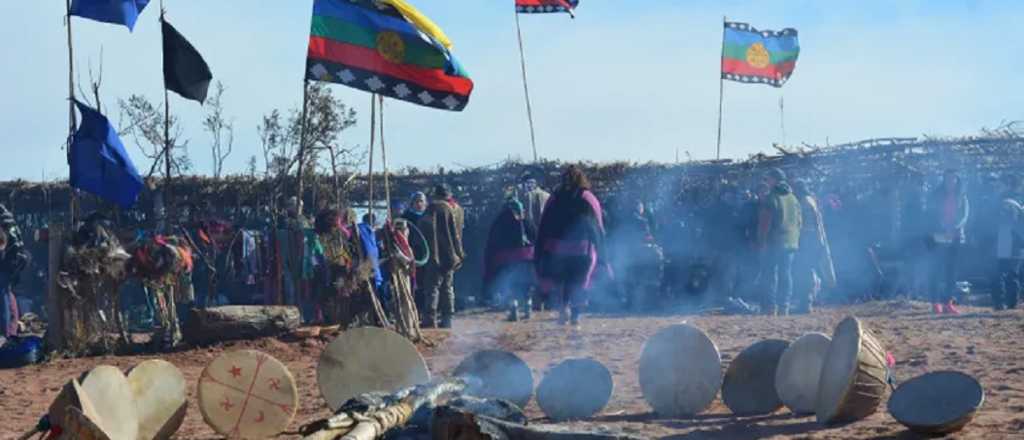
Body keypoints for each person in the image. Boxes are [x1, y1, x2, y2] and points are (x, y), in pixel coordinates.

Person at [535, 165, 606, 327]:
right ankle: (575, 317)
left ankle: (563, 312)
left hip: (556, 251)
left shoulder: (554, 199)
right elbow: (597, 227)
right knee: (579, 284)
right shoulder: (587, 198)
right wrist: (603, 256)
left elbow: (543, 226)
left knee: (561, 284)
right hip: (582, 251)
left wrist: (539, 253)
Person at [417, 184, 465, 328]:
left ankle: (430, 319)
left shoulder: (432, 209)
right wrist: (459, 253)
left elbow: (423, 228)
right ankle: (448, 318)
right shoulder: (456, 209)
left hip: (434, 254)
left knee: (432, 287)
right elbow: (456, 235)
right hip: (450, 255)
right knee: (448, 287)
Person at [757, 169, 802, 316]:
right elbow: (800, 221)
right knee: (786, 274)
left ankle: (769, 307)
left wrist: (762, 241)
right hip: (791, 242)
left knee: (769, 274)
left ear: (775, 180)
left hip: (774, 242)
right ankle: (784, 307)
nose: (766, 182)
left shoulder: (772, 198)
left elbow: (765, 222)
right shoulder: (793, 198)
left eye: (768, 179)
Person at [483, 198, 537, 321]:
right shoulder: (526, 220)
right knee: (526, 283)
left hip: (507, 258)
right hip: (527, 256)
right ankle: (528, 306)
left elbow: (493, 240)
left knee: (512, 284)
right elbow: (535, 235)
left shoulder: (500, 220)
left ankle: (514, 308)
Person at [928, 169, 969, 315]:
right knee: (937, 270)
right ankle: (935, 303)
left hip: (956, 237)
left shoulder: (962, 196)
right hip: (939, 236)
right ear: (943, 180)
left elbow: (964, 216)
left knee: (951, 272)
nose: (950, 182)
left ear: (957, 180)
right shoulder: (936, 195)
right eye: (947, 179)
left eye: (953, 179)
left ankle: (948, 303)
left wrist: (954, 228)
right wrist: (942, 227)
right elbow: (931, 214)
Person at [792, 180, 834, 314]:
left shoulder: (804, 202)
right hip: (815, 241)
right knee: (809, 271)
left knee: (804, 272)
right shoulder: (810, 200)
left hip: (809, 241)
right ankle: (807, 301)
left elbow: (806, 227)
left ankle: (805, 303)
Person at [0, 204, 27, 339]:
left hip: (4, 266)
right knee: (7, 298)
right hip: (12, 266)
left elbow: (2, 248)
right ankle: (10, 332)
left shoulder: (3, 225)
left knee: (3, 299)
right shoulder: (11, 224)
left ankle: (5, 334)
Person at [993, 198, 1024, 310]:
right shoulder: (1014, 208)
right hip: (1008, 243)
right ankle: (1007, 302)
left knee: (1006, 274)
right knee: (1008, 274)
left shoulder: (1006, 204)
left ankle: (1004, 302)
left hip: (1009, 244)